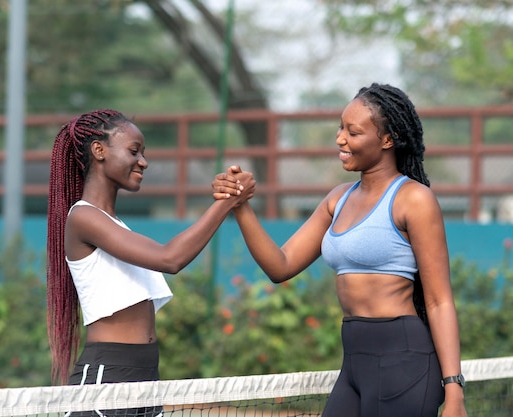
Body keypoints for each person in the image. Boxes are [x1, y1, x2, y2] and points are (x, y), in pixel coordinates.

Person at [212, 83, 467, 417]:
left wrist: (454, 389)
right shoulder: (338, 198)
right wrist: (241, 206)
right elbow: (281, 265)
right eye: (340, 127)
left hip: (403, 359)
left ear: (387, 140)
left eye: (353, 131)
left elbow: (439, 300)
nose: (340, 139)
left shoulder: (414, 199)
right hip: (354, 361)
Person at [46, 109, 255, 417]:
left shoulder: (115, 224)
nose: (143, 161)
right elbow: (169, 258)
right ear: (99, 150)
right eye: (134, 151)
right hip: (107, 381)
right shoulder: (84, 217)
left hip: (145, 380)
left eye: (143, 153)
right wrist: (227, 202)